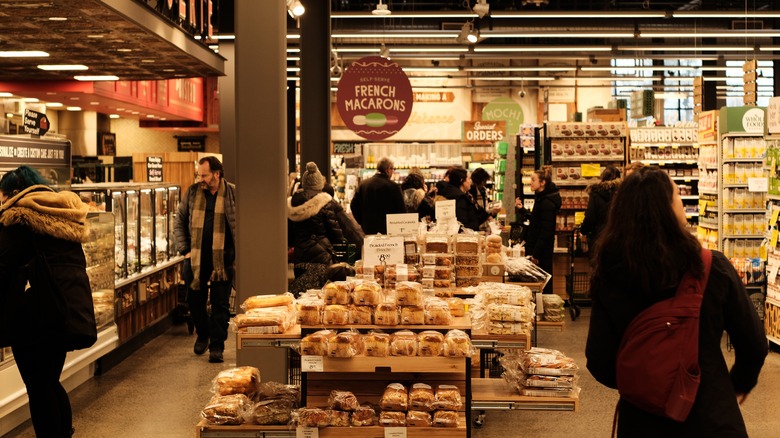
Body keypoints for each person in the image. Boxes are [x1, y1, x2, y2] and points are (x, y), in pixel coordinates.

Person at [585, 166, 767, 437]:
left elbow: (598, 359)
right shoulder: (710, 267)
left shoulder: (610, 272)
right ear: (671, 211)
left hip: (641, 421)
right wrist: (737, 384)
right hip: (710, 415)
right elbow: (753, 343)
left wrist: (645, 378)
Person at [0, 165, 94, 437]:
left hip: (33, 316)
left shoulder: (19, 220)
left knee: (38, 387)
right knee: (50, 381)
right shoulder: (63, 214)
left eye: (3, 195)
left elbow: (2, 267)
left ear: (15, 193)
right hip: (63, 311)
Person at [174, 156, 237, 364]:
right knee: (194, 301)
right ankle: (203, 334)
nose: (200, 178)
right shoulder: (192, 193)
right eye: (198, 174)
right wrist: (185, 250)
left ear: (217, 174)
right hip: (195, 259)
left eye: (204, 175)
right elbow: (180, 222)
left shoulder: (233, 193)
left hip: (223, 259)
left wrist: (237, 254)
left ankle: (217, 346)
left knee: (221, 304)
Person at [288, 162, 364, 271]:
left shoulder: (293, 204)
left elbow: (289, 238)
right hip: (324, 258)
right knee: (325, 287)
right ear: (319, 185)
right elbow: (342, 233)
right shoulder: (327, 203)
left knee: (303, 286)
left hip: (300, 259)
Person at [518, 166, 561, 294]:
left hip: (541, 253)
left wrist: (536, 254)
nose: (530, 182)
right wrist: (522, 210)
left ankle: (545, 311)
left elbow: (546, 231)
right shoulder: (542, 199)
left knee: (543, 286)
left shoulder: (547, 203)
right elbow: (537, 221)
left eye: (533, 180)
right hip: (537, 250)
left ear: (542, 183)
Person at [350, 157, 405, 235]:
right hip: (388, 231)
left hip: (368, 229)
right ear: (388, 169)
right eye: (393, 169)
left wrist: (362, 221)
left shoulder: (363, 184)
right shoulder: (393, 186)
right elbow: (401, 211)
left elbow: (353, 205)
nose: (393, 172)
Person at [579, 165, 621, 250]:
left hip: (597, 236)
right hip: (617, 236)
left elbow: (590, 216)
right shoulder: (622, 193)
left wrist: (583, 231)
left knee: (597, 261)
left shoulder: (595, 194)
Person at [437, 167, 483, 231]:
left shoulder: (462, 195)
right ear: (462, 180)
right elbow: (462, 222)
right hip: (465, 237)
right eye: (469, 178)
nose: (471, 181)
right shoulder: (460, 198)